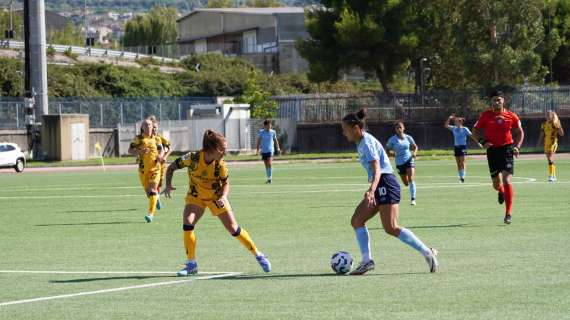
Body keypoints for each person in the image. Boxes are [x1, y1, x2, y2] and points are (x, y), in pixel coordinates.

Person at [341, 108, 438, 275]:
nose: (343, 133)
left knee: (391, 227)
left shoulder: (367, 143)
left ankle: (427, 252)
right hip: (379, 184)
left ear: (355, 128)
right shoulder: (362, 141)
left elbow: (377, 169)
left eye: (345, 129)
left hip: (385, 182)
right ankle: (366, 261)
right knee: (357, 220)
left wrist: (372, 190)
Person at [163, 130, 271, 276]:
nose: (225, 152)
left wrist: (224, 196)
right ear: (211, 149)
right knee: (188, 224)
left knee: (234, 229)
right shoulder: (192, 158)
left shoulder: (220, 165)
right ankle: (191, 264)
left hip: (216, 198)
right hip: (196, 198)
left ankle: (258, 255)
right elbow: (171, 167)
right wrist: (168, 184)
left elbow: (226, 183)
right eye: (222, 149)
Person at [472, 91, 524, 225]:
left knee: (506, 180)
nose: (497, 102)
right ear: (491, 102)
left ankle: (508, 213)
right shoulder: (485, 115)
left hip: (507, 149)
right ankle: (501, 191)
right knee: (496, 184)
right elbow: (475, 132)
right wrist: (483, 142)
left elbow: (520, 132)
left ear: (503, 101)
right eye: (494, 100)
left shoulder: (511, 116)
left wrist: (517, 147)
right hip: (492, 151)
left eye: (499, 100)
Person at [128, 118, 164, 223]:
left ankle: (150, 214)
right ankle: (156, 198)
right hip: (143, 170)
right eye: (145, 125)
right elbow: (130, 150)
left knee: (153, 190)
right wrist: (140, 151)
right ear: (142, 127)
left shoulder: (157, 138)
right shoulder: (138, 139)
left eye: (149, 125)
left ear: (153, 126)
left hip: (155, 169)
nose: (148, 126)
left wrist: (160, 156)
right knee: (149, 194)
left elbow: (161, 149)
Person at [386, 121, 418, 205]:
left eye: (400, 127)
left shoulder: (408, 137)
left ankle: (413, 199)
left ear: (404, 128)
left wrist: (414, 153)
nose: (399, 129)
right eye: (397, 128)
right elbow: (387, 150)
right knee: (406, 183)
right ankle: (409, 185)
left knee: (411, 179)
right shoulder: (392, 139)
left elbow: (415, 147)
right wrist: (392, 154)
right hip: (399, 163)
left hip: (409, 160)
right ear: (395, 129)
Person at [444, 114, 479, 183]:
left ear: (460, 122)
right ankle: (460, 177)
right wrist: (449, 118)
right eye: (455, 122)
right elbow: (446, 125)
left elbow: (471, 135)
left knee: (462, 162)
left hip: (463, 147)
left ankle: (463, 177)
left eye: (457, 121)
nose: (456, 123)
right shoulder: (454, 128)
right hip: (456, 147)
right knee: (458, 163)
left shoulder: (465, 129)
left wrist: (478, 142)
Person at [149, 116, 172, 209]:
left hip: (161, 165)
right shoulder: (147, 139)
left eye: (155, 127)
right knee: (152, 183)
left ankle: (156, 198)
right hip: (151, 165)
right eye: (152, 127)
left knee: (159, 184)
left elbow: (170, 148)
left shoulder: (160, 138)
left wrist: (165, 157)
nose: (154, 129)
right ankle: (156, 198)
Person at [538, 110, 564, 182]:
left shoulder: (555, 124)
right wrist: (539, 142)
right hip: (546, 143)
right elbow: (542, 134)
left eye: (549, 115)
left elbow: (562, 134)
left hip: (553, 143)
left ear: (552, 116)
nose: (547, 116)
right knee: (549, 159)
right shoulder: (543, 124)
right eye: (546, 115)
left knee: (550, 158)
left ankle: (551, 176)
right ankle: (554, 175)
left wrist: (559, 126)